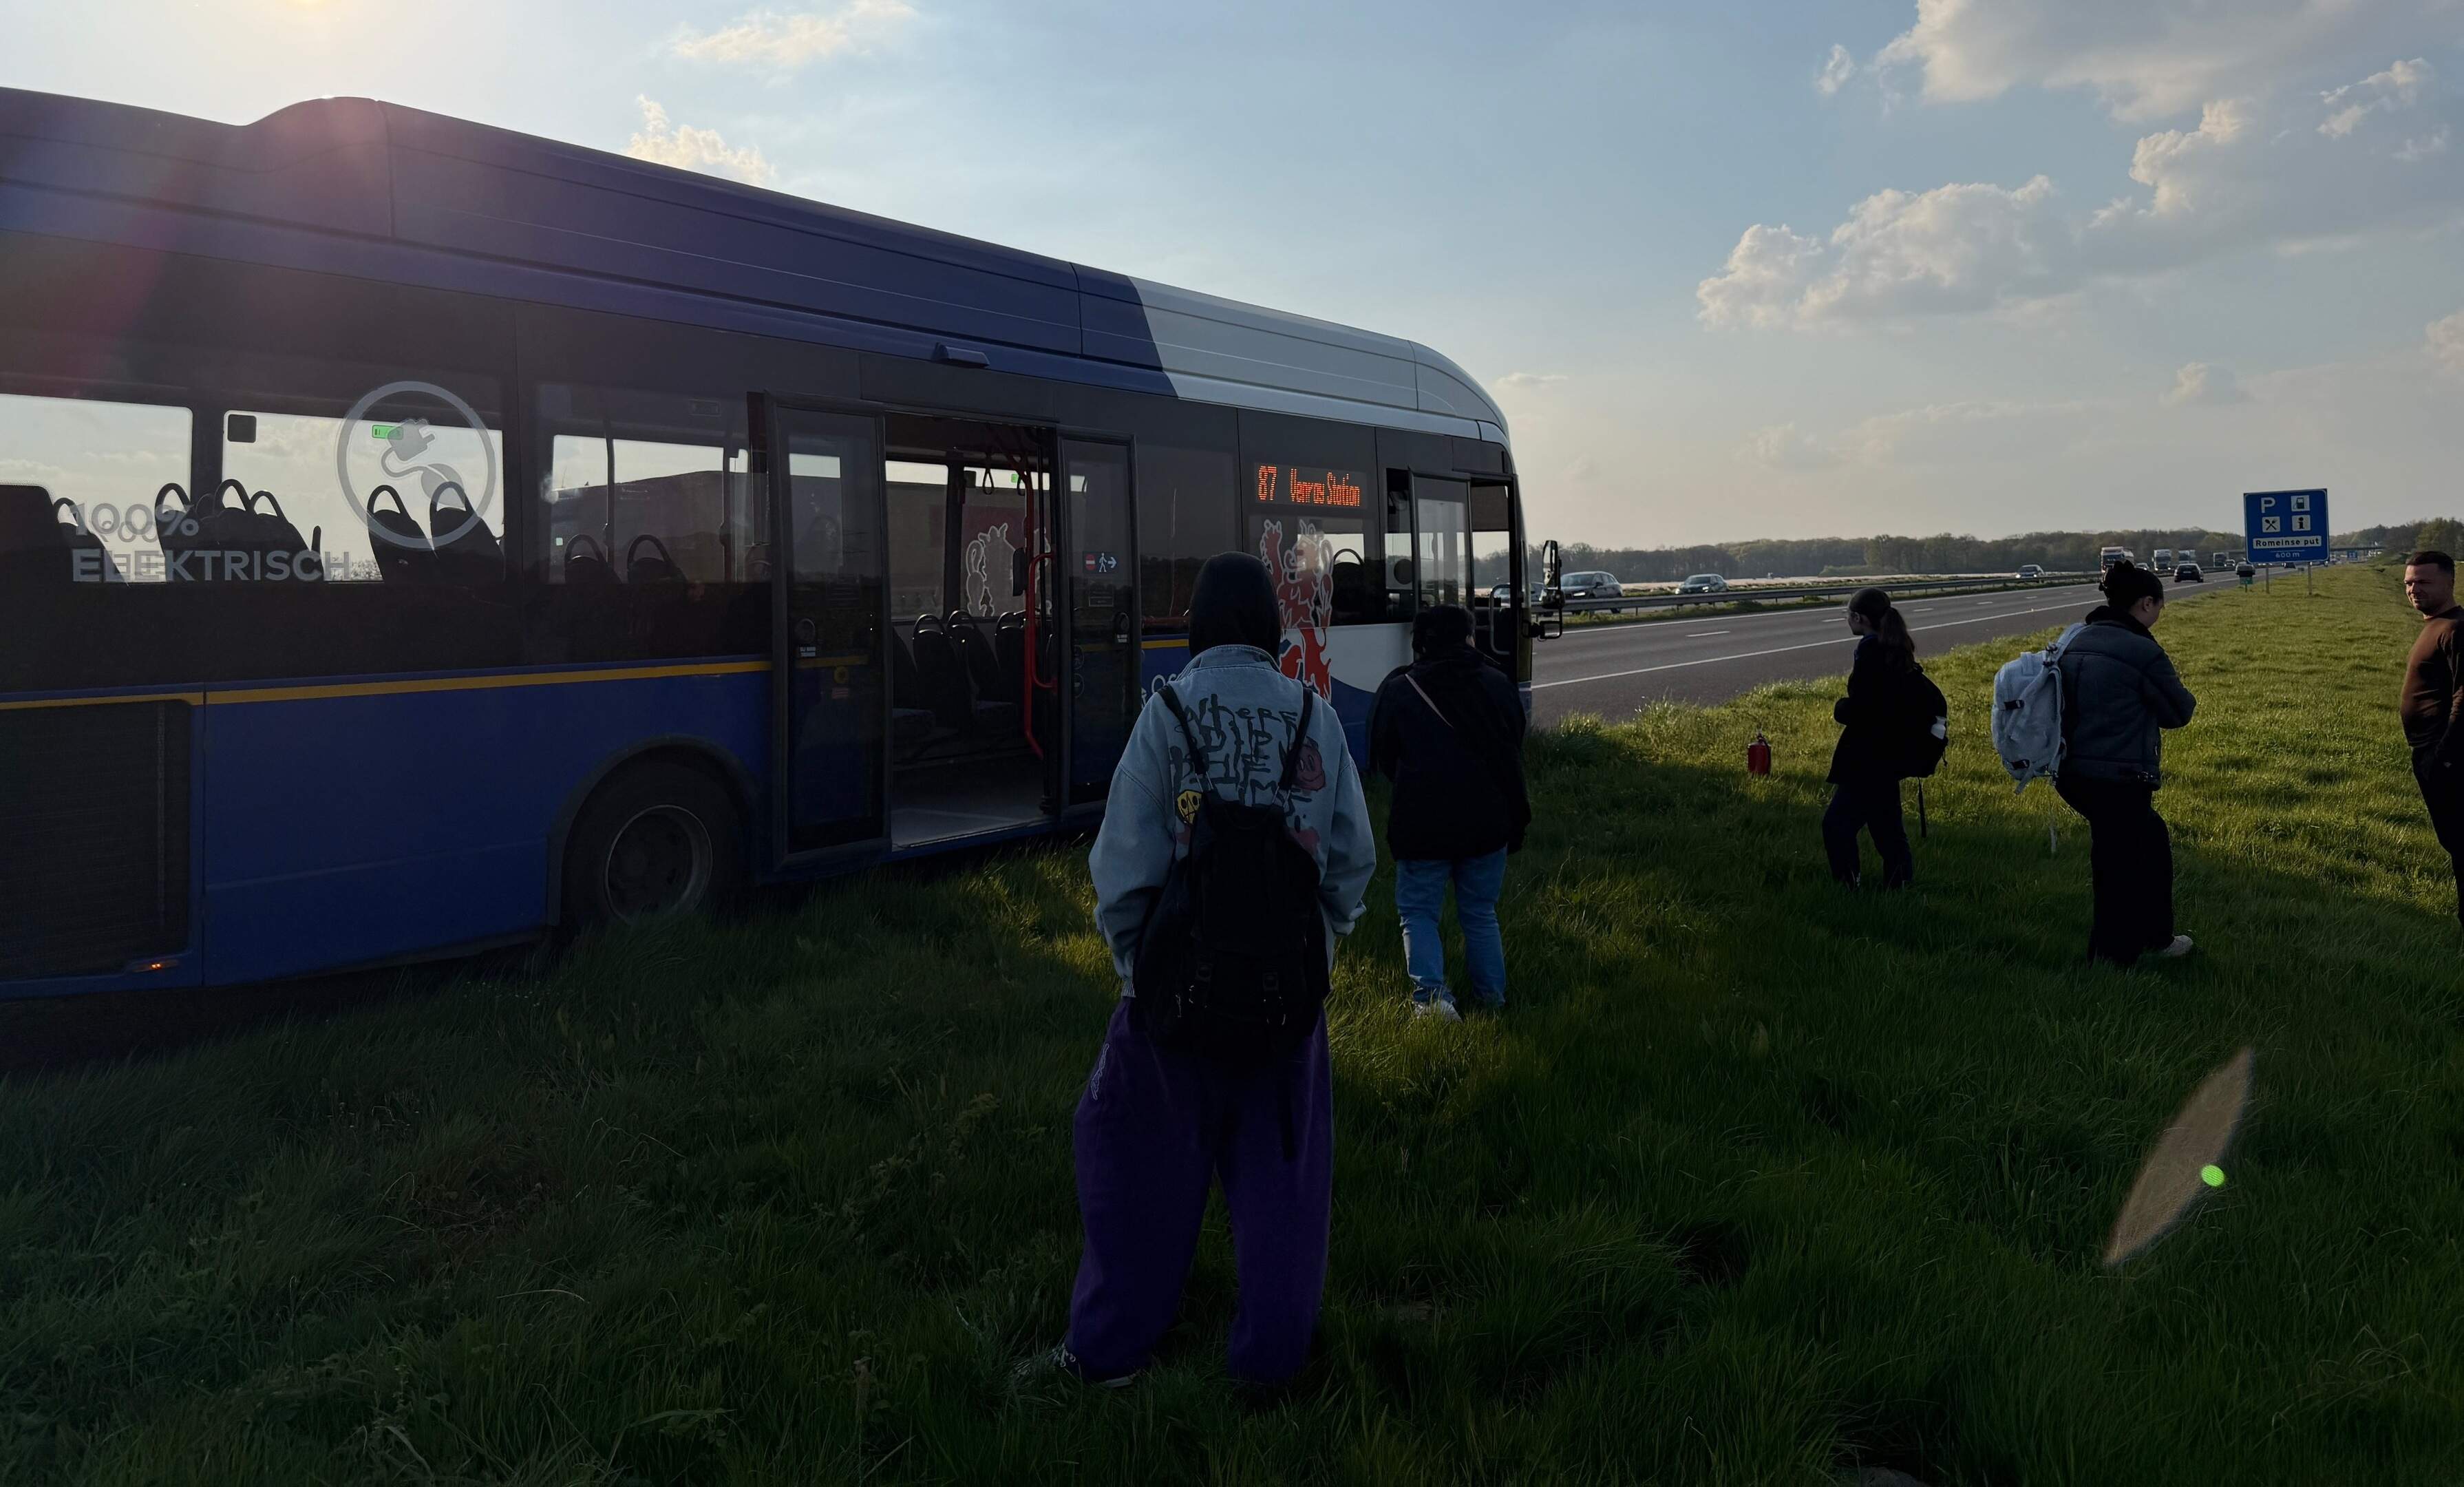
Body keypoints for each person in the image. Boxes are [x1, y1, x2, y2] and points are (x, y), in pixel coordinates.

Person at [1048, 552, 1374, 1391]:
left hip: (1173, 1008)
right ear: (1271, 626)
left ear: (1194, 624)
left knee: (1133, 1172)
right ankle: (1269, 1368)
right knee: (1283, 1195)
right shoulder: (1317, 716)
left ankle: (1109, 1355)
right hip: (1284, 1009)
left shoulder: (1167, 713)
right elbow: (1349, 866)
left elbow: (1122, 870)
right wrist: (1313, 957)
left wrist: (1139, 973)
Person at [1367, 604, 1531, 1020]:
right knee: (1480, 913)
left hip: (1421, 826)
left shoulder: (1400, 689)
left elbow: (1383, 755)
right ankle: (1492, 1002)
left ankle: (1432, 1001)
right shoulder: (1497, 682)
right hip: (1488, 823)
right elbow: (1516, 740)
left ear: (1419, 642)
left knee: (1419, 913)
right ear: (1469, 637)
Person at [2054, 561, 2198, 967]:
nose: (2158, 617)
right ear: (2146, 603)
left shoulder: (2074, 639)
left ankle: (2155, 937)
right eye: (2159, 608)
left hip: (2071, 774)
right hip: (2118, 777)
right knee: (2121, 863)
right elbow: (2178, 712)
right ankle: (2111, 959)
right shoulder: (2142, 649)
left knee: (2145, 846)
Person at [1823, 587, 1921, 889]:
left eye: (1849, 615)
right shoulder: (1896, 647)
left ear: (1859, 618)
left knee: (1836, 825)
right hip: (1890, 754)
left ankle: (1848, 885)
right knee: (1887, 827)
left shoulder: (1870, 651)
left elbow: (1866, 707)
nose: (1847, 620)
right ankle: (1899, 886)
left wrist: (1842, 709)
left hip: (1867, 755)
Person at [2399, 549, 2464, 927]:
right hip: (2432, 752)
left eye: (2424, 582)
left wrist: (2445, 756)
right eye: (2409, 583)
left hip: (2448, 756)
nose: (2414, 589)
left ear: (2449, 582)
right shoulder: (2436, 625)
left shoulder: (2456, 629)